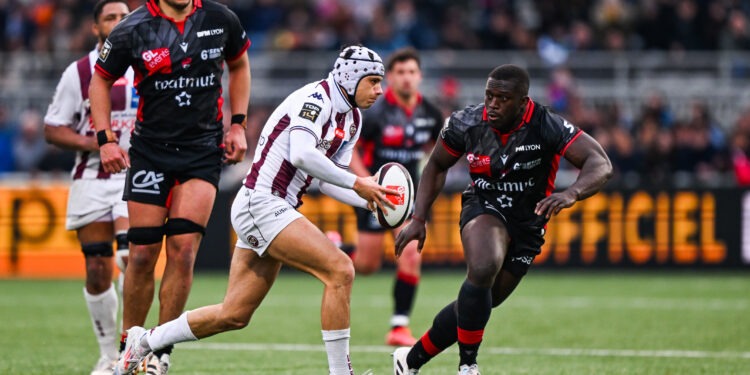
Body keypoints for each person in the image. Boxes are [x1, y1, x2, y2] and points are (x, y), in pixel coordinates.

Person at [114, 45, 397, 375]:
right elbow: (303, 155)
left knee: (234, 314)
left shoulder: (352, 119)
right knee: (341, 270)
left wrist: (368, 199)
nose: (379, 90)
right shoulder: (316, 99)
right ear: (351, 77)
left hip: (272, 207)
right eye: (373, 81)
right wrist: (359, 183)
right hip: (262, 202)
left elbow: (329, 181)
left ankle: (143, 341)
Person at [392, 64, 613, 375]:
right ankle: (468, 366)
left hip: (528, 223)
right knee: (482, 268)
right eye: (489, 95)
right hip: (483, 205)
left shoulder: (545, 123)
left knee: (480, 303)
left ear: (523, 102)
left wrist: (572, 193)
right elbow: (436, 166)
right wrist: (418, 217)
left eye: (503, 98)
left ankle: (408, 361)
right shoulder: (466, 122)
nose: (493, 104)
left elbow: (600, 162)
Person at [89, 0, 251, 373]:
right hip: (150, 152)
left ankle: (160, 354)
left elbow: (239, 64)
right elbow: (101, 79)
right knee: (143, 255)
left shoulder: (219, 18)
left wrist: (239, 124)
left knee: (183, 252)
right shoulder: (132, 27)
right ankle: (129, 351)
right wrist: (106, 140)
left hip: (202, 151)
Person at [43, 1, 133, 374]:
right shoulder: (78, 73)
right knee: (98, 269)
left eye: (125, 17)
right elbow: (53, 128)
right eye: (110, 17)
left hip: (137, 176)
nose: (118, 23)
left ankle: (134, 352)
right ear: (95, 28)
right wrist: (98, 142)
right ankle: (107, 354)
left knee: (131, 258)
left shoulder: (150, 65)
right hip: (92, 179)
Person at [345, 47, 443, 346]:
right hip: (374, 196)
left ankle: (399, 326)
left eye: (411, 72)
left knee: (411, 253)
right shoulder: (374, 113)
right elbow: (350, 150)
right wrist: (366, 183)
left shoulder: (430, 113)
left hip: (408, 199)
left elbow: (442, 151)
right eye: (400, 73)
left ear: (420, 76)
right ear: (390, 78)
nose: (406, 78)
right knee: (366, 266)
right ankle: (336, 249)